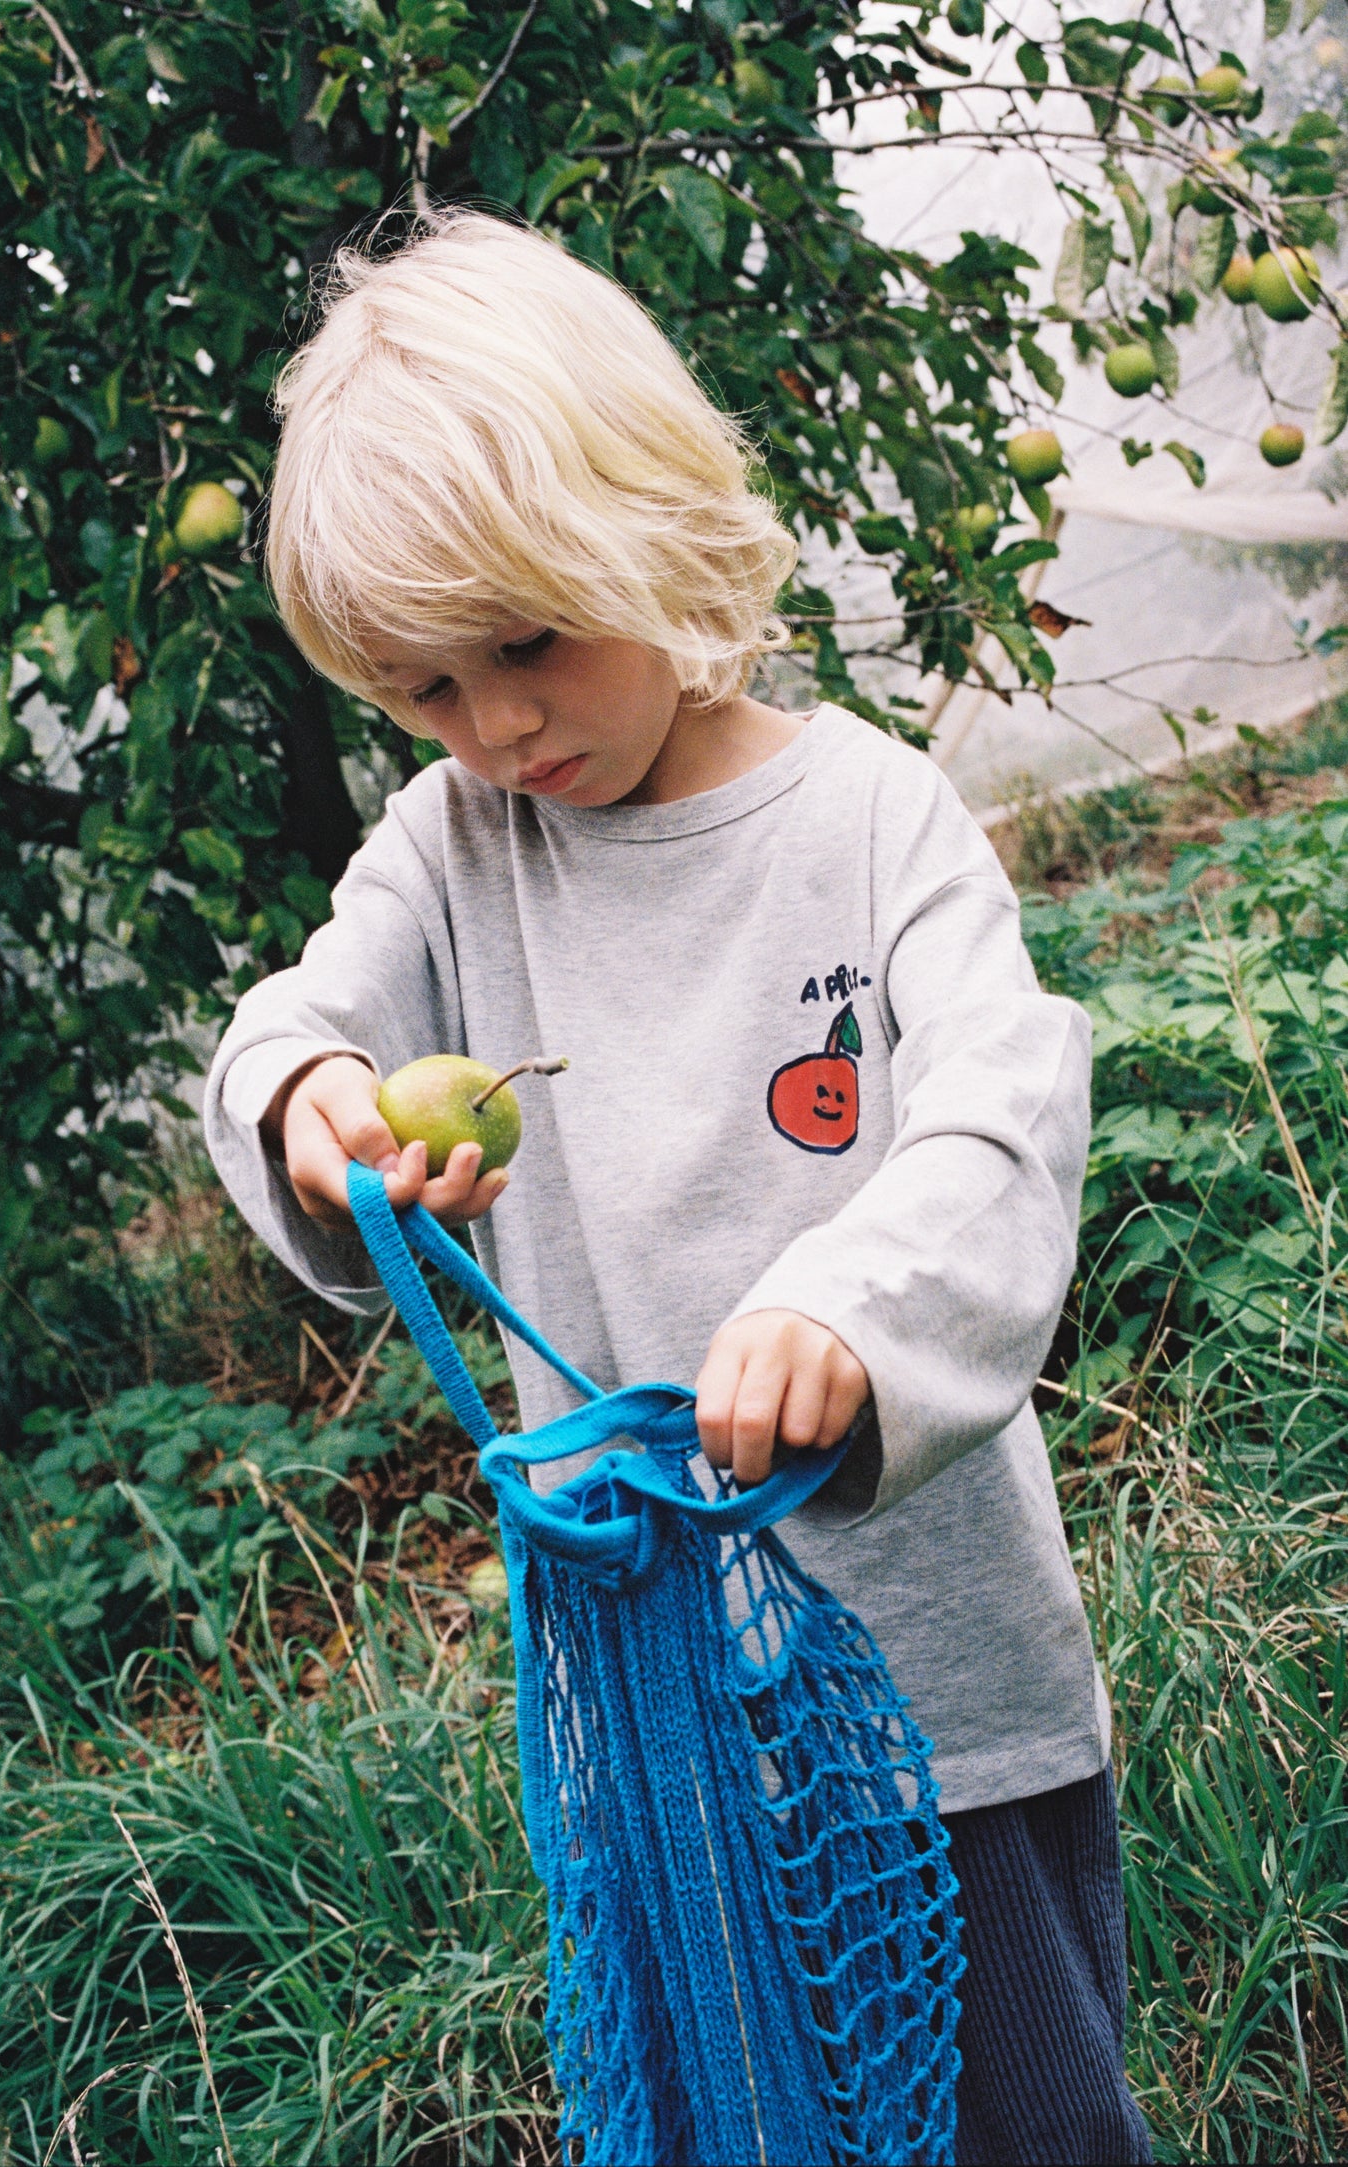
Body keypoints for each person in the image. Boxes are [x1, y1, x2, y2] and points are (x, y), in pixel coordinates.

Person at [204, 209, 1152, 2167]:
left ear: (648, 525)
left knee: (1013, 2116)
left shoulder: (867, 821)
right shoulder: (458, 847)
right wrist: (312, 1099)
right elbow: (292, 1023)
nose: (498, 728)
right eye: (426, 687)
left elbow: (1002, 1122)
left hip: (937, 1697)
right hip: (658, 1728)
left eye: (528, 645)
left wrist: (845, 1309)